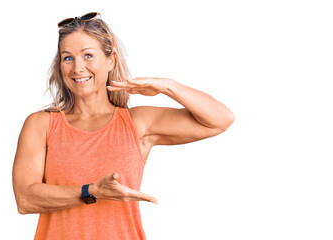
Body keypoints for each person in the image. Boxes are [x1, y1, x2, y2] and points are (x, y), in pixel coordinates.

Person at [12, 12, 234, 239]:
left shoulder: (136, 123)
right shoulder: (41, 124)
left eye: (88, 55)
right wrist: (92, 192)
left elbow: (220, 120)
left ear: (111, 59)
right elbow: (25, 199)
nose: (77, 68)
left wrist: (167, 87)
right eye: (68, 58)